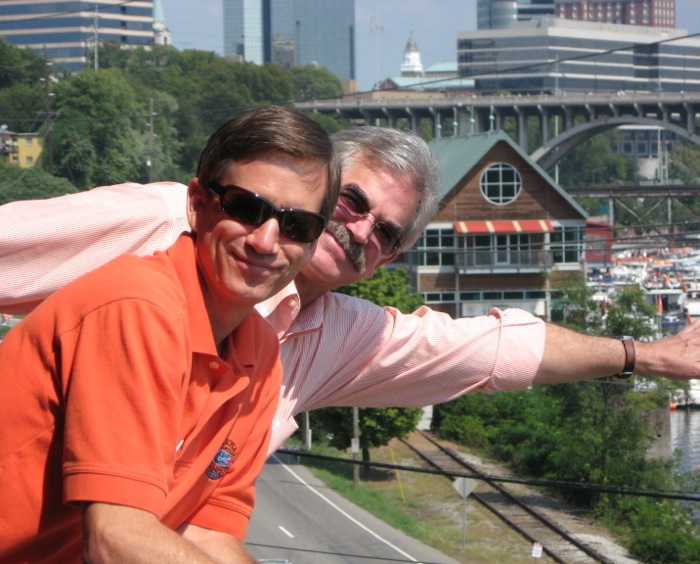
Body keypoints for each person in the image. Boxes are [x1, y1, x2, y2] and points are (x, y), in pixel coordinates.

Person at [1, 127, 700, 461]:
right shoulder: (171, 221)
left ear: (385, 261)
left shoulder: (328, 334)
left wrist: (654, 355)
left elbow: (487, 349)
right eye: (352, 200)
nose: (359, 229)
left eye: (386, 233)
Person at [0, 105, 339, 563]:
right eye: (246, 208)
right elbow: (115, 540)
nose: (265, 241)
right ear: (198, 204)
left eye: (297, 225)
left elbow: (206, 532)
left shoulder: (259, 352)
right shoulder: (137, 306)